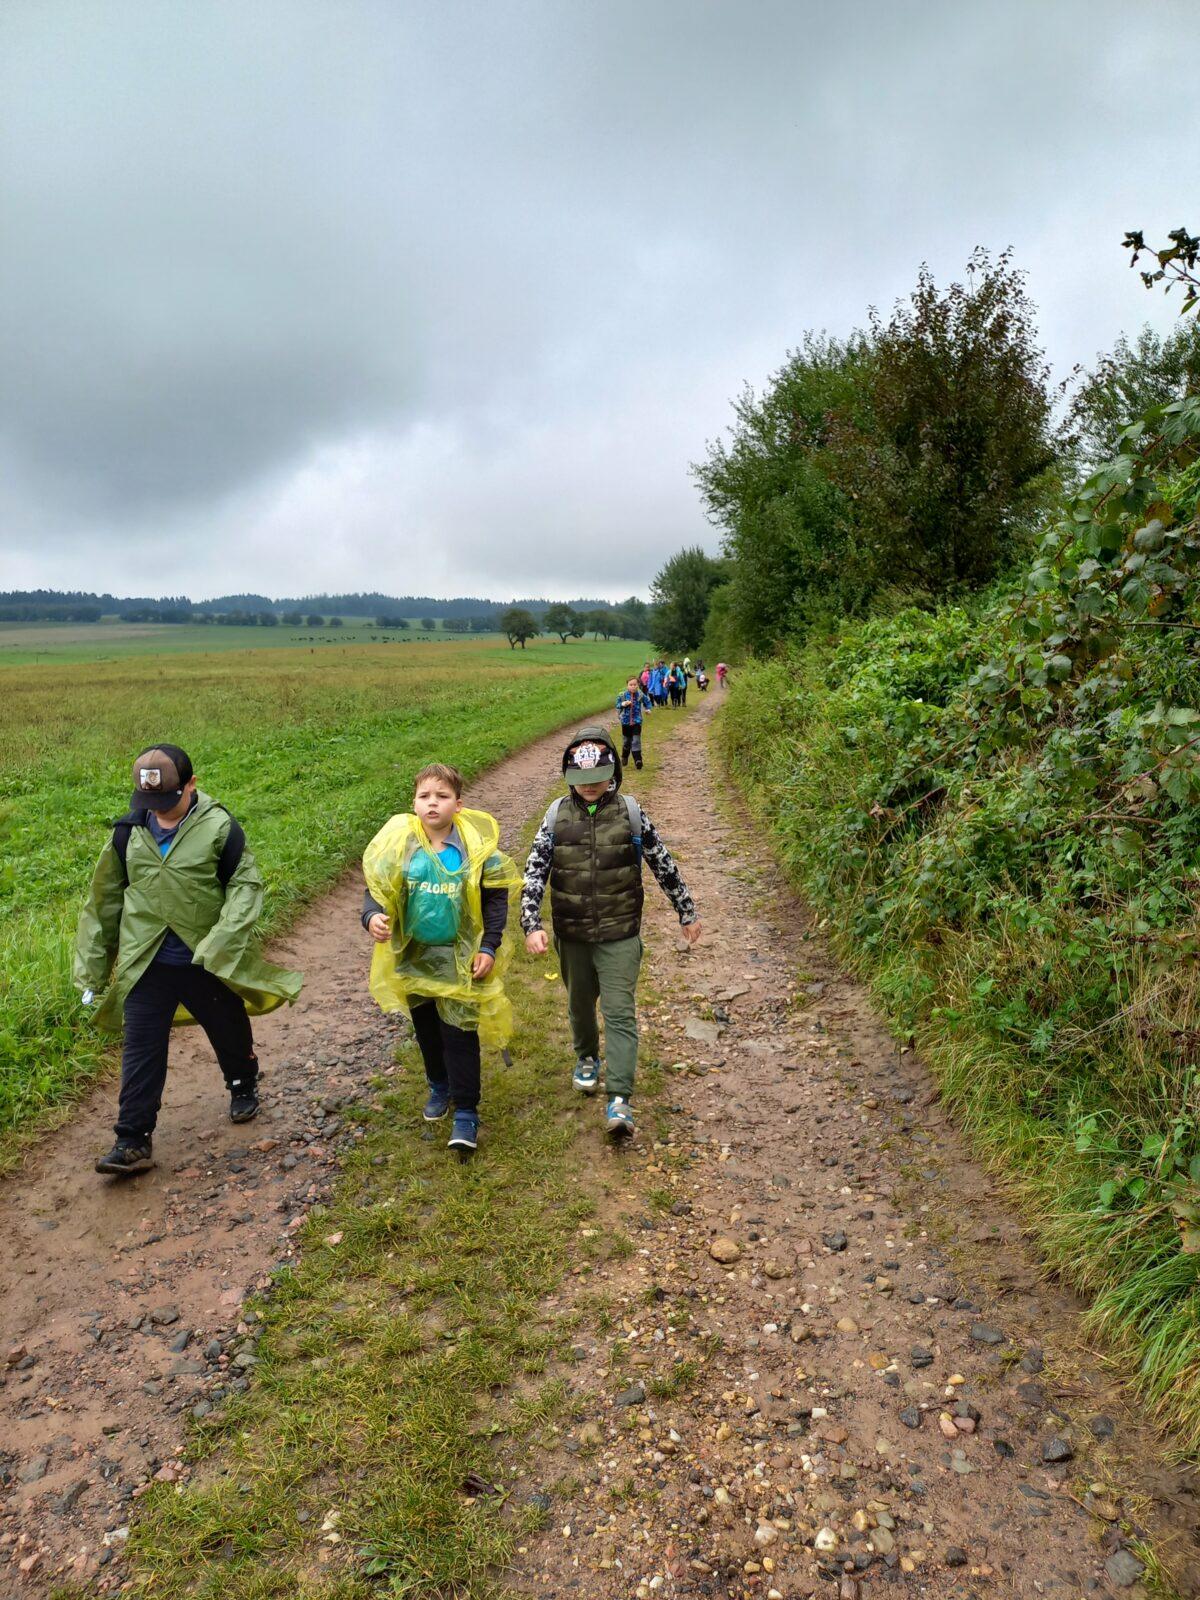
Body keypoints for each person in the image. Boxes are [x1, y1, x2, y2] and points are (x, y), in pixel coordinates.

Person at [75, 744, 302, 1177]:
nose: (159, 811)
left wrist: (222, 941)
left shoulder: (219, 828)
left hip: (202, 957)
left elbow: (245, 885)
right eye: (150, 804)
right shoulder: (127, 832)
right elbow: (102, 901)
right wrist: (92, 968)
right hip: (146, 962)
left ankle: (242, 1083)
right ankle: (132, 1139)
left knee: (227, 1025)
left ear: (192, 785)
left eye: (168, 800)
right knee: (141, 1047)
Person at [521, 726, 701, 1139]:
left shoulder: (632, 813)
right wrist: (531, 921)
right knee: (580, 1005)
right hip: (573, 934)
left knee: (620, 1013)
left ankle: (620, 1098)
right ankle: (586, 1057)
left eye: (597, 779)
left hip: (621, 933)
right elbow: (534, 871)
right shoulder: (554, 817)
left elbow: (662, 863)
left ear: (613, 773)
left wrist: (686, 910)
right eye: (580, 782)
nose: (589, 788)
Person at [361, 764, 519, 1153]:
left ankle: (466, 1110)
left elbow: (496, 899)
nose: (433, 803)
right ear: (413, 804)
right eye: (425, 796)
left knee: (460, 1034)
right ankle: (438, 1084)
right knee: (428, 1030)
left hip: (458, 959)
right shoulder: (401, 846)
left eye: (442, 796)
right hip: (414, 957)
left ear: (459, 805)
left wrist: (488, 946)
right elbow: (376, 890)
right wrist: (372, 917)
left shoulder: (476, 851)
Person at [616, 675, 653, 769]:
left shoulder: (640, 695)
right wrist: (622, 704)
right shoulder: (622, 695)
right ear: (627, 686)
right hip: (625, 722)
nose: (633, 686)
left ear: (638, 685)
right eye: (630, 685)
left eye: (635, 684)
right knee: (626, 742)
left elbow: (647, 702)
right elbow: (617, 705)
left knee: (636, 741)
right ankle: (624, 757)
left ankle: (638, 760)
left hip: (637, 722)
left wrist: (648, 709)